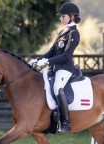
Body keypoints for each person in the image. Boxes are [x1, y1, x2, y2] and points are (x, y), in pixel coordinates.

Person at [29, 2, 81, 133]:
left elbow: (66, 55)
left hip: (65, 68)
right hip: (55, 68)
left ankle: (66, 122)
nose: (60, 18)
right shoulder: (62, 32)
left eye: (63, 16)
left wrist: (48, 61)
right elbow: (51, 52)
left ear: (72, 16)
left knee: (58, 87)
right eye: (61, 16)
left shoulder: (74, 33)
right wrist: (38, 60)